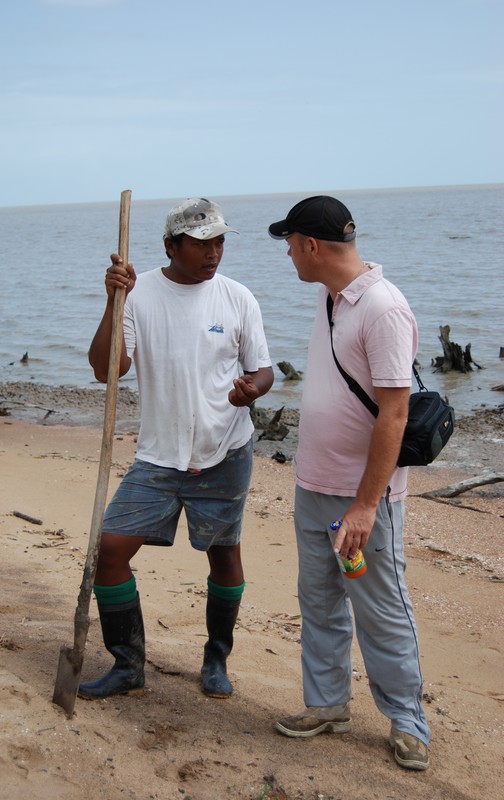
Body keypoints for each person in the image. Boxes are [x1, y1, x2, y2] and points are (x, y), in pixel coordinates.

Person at [80, 197, 274, 702]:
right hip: (159, 456)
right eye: (201, 243)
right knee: (109, 552)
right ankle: (127, 664)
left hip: (225, 450)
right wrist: (112, 300)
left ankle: (216, 658)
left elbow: (263, 368)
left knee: (224, 555)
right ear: (171, 245)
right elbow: (107, 370)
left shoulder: (238, 298)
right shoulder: (138, 293)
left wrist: (251, 389)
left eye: (220, 241)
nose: (214, 252)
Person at [267, 196, 430, 771]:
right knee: (319, 602)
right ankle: (327, 704)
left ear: (311, 245)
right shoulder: (333, 295)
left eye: (289, 243)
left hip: (360, 501)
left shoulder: (383, 308)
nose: (287, 253)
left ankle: (408, 721)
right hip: (313, 488)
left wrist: (365, 507)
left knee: (380, 607)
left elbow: (395, 414)